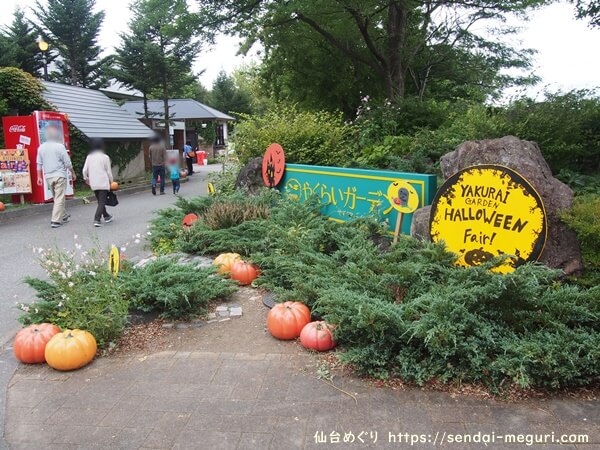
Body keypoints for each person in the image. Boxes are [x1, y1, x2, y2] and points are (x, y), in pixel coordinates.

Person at [36, 123, 76, 228]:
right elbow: (67, 162)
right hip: (59, 175)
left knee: (56, 197)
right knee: (59, 198)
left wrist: (39, 177)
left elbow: (39, 163)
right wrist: (73, 172)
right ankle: (55, 220)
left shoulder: (41, 148)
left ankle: (63, 215)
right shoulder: (60, 147)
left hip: (48, 176)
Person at [82, 138, 114, 227]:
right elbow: (109, 172)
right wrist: (111, 182)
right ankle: (97, 219)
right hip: (103, 182)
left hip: (93, 182)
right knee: (102, 201)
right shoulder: (105, 157)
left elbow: (84, 170)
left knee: (100, 201)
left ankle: (107, 216)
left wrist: (86, 179)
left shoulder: (89, 157)